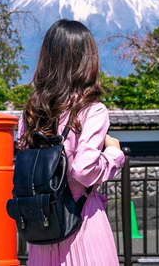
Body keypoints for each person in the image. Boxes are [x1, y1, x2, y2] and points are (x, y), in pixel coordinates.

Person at [17, 19, 124, 266]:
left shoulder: (31, 112)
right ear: (87, 60)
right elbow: (83, 169)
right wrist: (113, 154)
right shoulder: (91, 110)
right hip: (81, 221)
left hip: (42, 227)